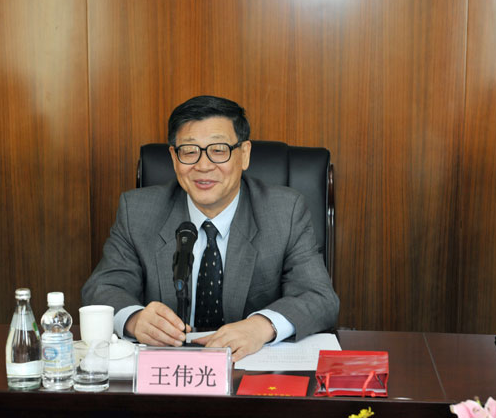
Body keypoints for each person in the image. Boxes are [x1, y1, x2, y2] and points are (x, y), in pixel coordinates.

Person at [82, 95, 339, 362]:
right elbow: (102, 288)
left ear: (244, 154)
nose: (203, 166)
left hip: (249, 372)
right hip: (169, 372)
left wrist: (261, 326)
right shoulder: (137, 212)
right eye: (189, 151)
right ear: (174, 157)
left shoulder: (284, 212)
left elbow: (318, 297)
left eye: (218, 150)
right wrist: (134, 319)